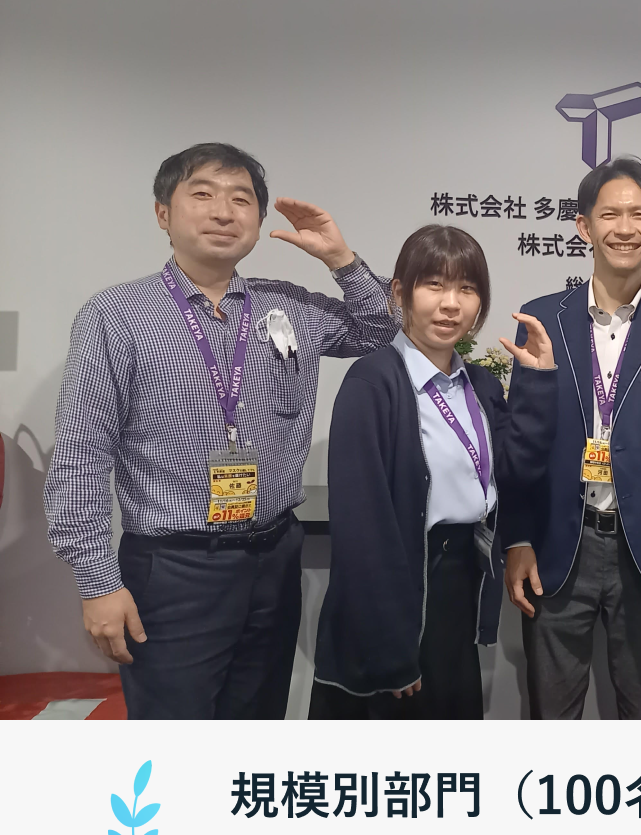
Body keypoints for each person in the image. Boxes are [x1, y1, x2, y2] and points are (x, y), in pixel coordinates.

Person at [44, 142, 402, 719]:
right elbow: (81, 455)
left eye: (241, 199)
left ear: (258, 220)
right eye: (203, 194)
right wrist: (97, 583)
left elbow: (377, 329)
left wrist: (342, 260)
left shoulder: (286, 306)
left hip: (274, 555)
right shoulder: (116, 315)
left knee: (255, 728)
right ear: (163, 213)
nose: (223, 211)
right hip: (173, 568)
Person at [501, 155, 641, 720]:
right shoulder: (542, 319)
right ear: (584, 226)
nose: (625, 228)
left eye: (639, 215)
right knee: (551, 714)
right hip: (559, 543)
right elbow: (524, 442)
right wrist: (518, 537)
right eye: (610, 215)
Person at [308, 225, 557, 719]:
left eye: (466, 289)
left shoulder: (480, 384)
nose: (450, 304)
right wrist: (389, 646)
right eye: (434, 285)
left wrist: (538, 383)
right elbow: (362, 528)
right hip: (398, 588)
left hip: (457, 582)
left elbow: (517, 470)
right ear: (400, 293)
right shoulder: (373, 381)